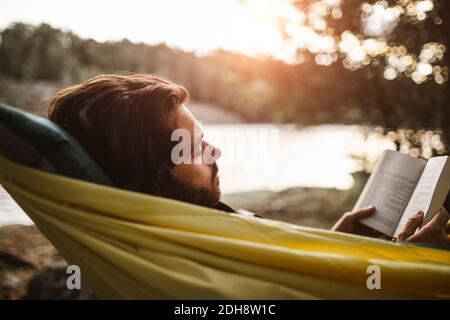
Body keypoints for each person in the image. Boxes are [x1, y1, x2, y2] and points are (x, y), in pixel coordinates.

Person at [47, 73, 450, 247]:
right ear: (153, 174)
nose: (214, 153)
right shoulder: (194, 255)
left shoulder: (190, 226)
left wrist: (336, 244)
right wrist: (406, 266)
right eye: (195, 147)